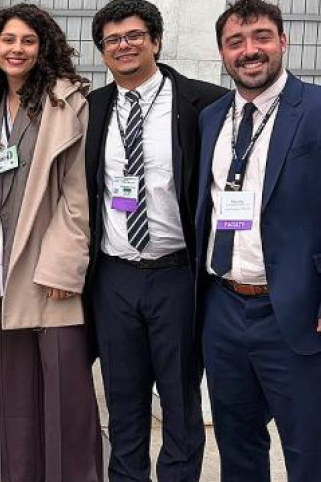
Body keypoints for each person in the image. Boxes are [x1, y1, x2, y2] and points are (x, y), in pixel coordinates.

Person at [84, 1, 226, 481]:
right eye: (112, 40)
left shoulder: (204, 104)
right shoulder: (91, 108)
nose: (123, 46)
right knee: (123, 401)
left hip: (177, 276)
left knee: (181, 402)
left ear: (156, 40)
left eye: (134, 36)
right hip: (114, 276)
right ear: (102, 51)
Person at [0, 4, 102, 481]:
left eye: (27, 40)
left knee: (67, 402)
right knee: (19, 404)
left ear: (43, 47)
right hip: (8, 276)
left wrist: (64, 269)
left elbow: (76, 196)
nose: (16, 49)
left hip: (51, 278)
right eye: (8, 40)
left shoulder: (68, 104)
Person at [197, 1, 321, 481]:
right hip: (224, 311)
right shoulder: (211, 119)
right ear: (223, 53)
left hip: (296, 312)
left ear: (283, 42)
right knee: (237, 445)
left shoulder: (314, 109)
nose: (250, 51)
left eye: (262, 38)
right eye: (236, 42)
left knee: (308, 450)